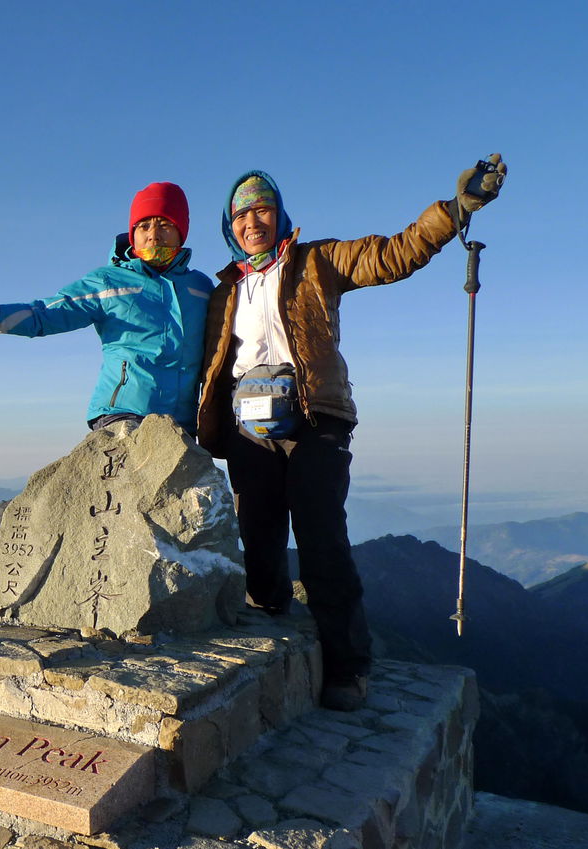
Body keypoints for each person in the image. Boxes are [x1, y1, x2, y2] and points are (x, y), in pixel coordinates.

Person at [196, 156, 507, 710]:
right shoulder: (224, 291)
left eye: (262, 208)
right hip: (250, 431)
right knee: (260, 538)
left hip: (317, 418)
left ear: (280, 213)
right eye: (241, 215)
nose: (252, 222)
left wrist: (456, 211)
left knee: (321, 538)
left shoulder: (319, 260)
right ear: (229, 226)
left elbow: (393, 253)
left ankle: (346, 667)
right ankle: (270, 643)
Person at [0, 182, 214, 433]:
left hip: (182, 422)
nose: (153, 234)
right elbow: (47, 313)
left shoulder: (200, 288)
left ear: (181, 232)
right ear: (133, 233)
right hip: (124, 415)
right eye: (144, 226)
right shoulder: (109, 281)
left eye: (164, 225)